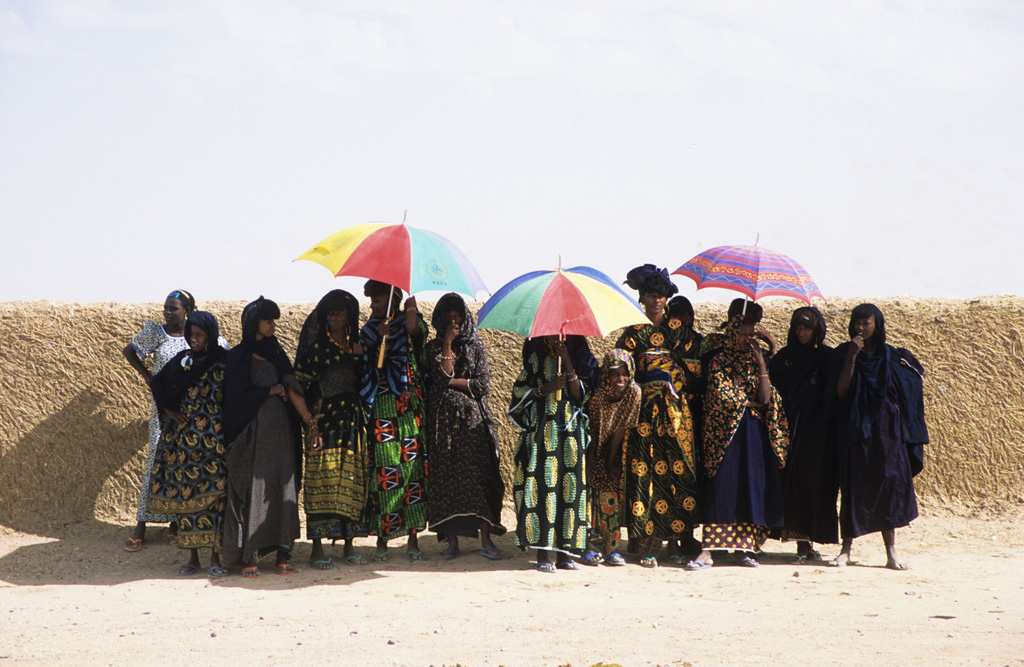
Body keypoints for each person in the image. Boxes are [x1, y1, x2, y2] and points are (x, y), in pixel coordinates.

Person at [222, 297, 320, 577]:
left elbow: (291, 388)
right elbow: (235, 398)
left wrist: (310, 424)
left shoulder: (276, 352)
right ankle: (250, 556)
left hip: (280, 434)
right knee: (255, 492)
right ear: (254, 323)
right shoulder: (239, 356)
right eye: (267, 320)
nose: (272, 325)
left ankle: (283, 555)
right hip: (252, 434)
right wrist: (269, 391)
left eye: (273, 320)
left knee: (282, 488)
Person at [687, 311, 789, 570]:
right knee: (723, 488)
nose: (747, 339)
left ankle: (742, 549)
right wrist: (747, 402)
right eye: (742, 334)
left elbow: (766, 400)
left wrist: (761, 363)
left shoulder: (754, 363)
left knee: (748, 489)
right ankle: (708, 551)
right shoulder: (719, 361)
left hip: (753, 436)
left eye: (750, 334)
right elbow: (721, 396)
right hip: (724, 438)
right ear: (731, 334)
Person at [829, 303, 927, 570]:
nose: (860, 328)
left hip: (887, 432)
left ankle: (891, 552)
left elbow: (909, 387)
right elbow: (840, 391)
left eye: (866, 323)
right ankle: (845, 550)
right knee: (853, 487)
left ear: (877, 325)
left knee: (888, 486)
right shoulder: (844, 353)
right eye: (857, 323)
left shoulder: (891, 356)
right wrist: (851, 356)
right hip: (856, 431)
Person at [617, 264, 702, 567]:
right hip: (643, 417)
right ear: (642, 297)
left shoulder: (679, 331)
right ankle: (645, 545)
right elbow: (620, 376)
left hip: (677, 416)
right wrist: (648, 378)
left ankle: (678, 544)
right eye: (651, 295)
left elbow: (697, 374)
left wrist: (677, 364)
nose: (656, 300)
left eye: (661, 295)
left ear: (668, 298)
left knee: (679, 474)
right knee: (645, 474)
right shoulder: (632, 334)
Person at [423, 293, 507, 561]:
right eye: (447, 317)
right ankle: (452, 542)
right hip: (443, 426)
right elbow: (443, 374)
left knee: (479, 478)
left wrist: (451, 382)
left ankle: (485, 539)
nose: (453, 320)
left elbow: (482, 385)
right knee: (447, 481)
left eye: (457, 315)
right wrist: (447, 344)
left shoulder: (476, 347)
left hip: (473, 424)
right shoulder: (434, 348)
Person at [148, 311, 229, 577]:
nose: (194, 340)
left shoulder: (222, 363)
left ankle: (215, 556)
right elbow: (159, 386)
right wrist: (169, 411)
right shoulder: (182, 362)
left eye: (199, 335)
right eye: (191, 335)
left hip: (214, 444)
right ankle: (193, 557)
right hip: (184, 446)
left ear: (210, 336)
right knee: (188, 500)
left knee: (216, 500)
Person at [294, 290, 368, 569]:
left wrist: (370, 354)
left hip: (352, 423)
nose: (333, 318)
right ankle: (317, 549)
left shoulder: (358, 348)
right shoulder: (317, 350)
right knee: (321, 483)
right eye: (329, 314)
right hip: (324, 423)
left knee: (350, 481)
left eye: (338, 313)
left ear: (349, 317)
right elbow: (299, 385)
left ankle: (349, 545)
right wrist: (311, 423)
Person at [510, 335, 596, 572]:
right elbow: (518, 395)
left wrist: (567, 361)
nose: (554, 336)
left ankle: (564, 553)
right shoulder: (535, 359)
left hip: (570, 433)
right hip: (542, 432)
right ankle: (542, 553)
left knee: (569, 490)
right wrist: (544, 389)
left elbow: (580, 397)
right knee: (542, 486)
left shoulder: (577, 355)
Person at [359, 280, 429, 563]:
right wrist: (379, 339)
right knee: (386, 473)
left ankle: (413, 539)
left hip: (408, 408)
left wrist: (409, 305)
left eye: (377, 300)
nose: (372, 305)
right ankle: (383, 540)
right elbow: (368, 367)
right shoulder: (368, 330)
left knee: (412, 472)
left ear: (392, 300)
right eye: (372, 300)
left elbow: (415, 331)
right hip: (384, 408)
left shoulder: (409, 322)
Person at [121, 289, 196, 551]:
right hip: (162, 412)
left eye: (173, 308)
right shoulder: (157, 333)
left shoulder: (194, 335)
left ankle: (174, 524)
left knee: (180, 465)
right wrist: (147, 376)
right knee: (155, 463)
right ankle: (141, 525)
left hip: (187, 414)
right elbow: (130, 351)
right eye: (166, 307)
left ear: (186, 309)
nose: (167, 311)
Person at [769, 307, 839, 562]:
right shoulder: (785, 358)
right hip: (788, 432)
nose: (801, 332)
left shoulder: (827, 358)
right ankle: (798, 543)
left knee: (813, 484)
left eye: (807, 328)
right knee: (791, 485)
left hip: (816, 434)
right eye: (798, 327)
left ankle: (808, 542)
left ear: (817, 330)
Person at [584, 349, 641, 566]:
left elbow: (621, 427)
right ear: (606, 375)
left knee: (610, 500)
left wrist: (610, 460)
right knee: (588, 497)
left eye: (624, 373)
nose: (621, 379)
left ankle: (612, 549)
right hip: (591, 447)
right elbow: (593, 434)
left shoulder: (634, 392)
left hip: (615, 450)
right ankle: (587, 547)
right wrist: (589, 467)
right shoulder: (598, 397)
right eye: (614, 374)